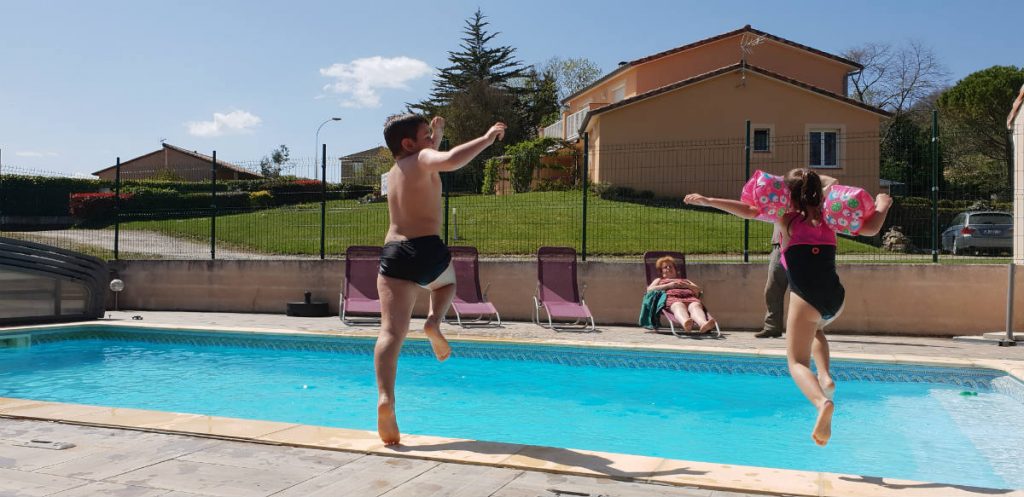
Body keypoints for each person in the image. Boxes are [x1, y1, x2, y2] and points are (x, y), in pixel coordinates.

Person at [684, 168, 892, 446]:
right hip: (835, 298)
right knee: (815, 330)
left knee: (795, 361)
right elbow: (871, 227)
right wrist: (882, 204)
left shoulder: (787, 218)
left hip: (805, 297)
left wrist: (709, 200)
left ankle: (821, 403)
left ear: (786, 194)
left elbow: (748, 210)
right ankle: (826, 375)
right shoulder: (831, 217)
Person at [374, 114, 506, 445]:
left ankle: (385, 397)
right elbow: (446, 159)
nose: (431, 140)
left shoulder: (394, 171)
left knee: (390, 332)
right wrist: (487, 137)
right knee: (447, 284)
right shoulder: (423, 158)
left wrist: (438, 131)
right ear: (409, 143)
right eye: (425, 136)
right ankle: (433, 322)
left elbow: (428, 151)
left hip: (394, 251)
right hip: (427, 248)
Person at [647, 256, 717, 334]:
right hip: (673, 299)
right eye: (665, 267)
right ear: (661, 272)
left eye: (671, 266)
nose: (668, 268)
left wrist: (687, 286)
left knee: (695, 306)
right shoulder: (659, 280)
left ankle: (703, 324)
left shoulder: (685, 280)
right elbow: (649, 290)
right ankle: (686, 323)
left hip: (690, 298)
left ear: (675, 270)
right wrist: (669, 285)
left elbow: (698, 290)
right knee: (678, 305)